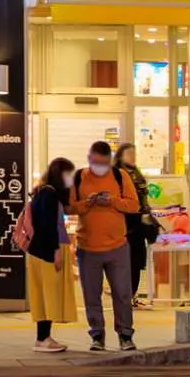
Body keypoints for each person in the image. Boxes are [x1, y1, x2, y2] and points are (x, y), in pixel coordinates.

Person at [70, 140, 140, 353]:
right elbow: (68, 207)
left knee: (122, 294)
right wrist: (86, 203)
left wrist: (113, 201)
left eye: (102, 163)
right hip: (87, 247)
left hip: (117, 246)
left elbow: (134, 205)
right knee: (91, 295)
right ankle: (97, 335)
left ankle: (125, 336)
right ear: (89, 159)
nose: (97, 167)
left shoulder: (121, 176)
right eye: (94, 162)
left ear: (109, 161)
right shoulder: (78, 177)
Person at [27, 157, 79, 354]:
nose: (70, 179)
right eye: (68, 175)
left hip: (38, 252)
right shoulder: (49, 194)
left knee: (42, 294)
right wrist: (55, 251)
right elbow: (48, 226)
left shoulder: (41, 192)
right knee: (49, 294)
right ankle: (43, 338)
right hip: (49, 251)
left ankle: (43, 337)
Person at [114, 144, 157, 306]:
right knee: (125, 262)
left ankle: (131, 295)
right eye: (129, 153)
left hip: (139, 225)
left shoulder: (137, 174)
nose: (132, 157)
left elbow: (143, 198)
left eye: (134, 153)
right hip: (125, 226)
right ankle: (123, 296)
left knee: (137, 262)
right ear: (120, 156)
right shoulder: (117, 174)